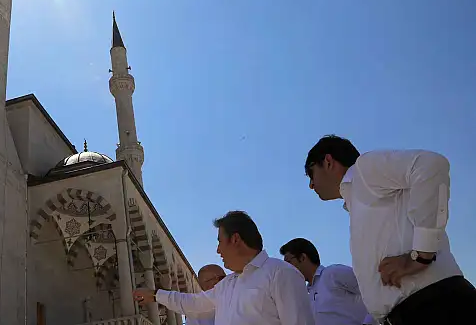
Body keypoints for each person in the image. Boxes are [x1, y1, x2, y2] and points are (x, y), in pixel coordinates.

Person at [304, 134, 476, 324]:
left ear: (328, 162)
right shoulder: (358, 200)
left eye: (311, 174)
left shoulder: (364, 170)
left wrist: (421, 254)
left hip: (435, 306)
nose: (311, 185)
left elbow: (431, 165)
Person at [132, 211, 314, 325]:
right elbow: (193, 303)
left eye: (220, 242)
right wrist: (155, 295)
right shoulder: (228, 285)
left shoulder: (281, 274)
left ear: (235, 240)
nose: (218, 250)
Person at [280, 238, 370, 325]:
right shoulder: (306, 296)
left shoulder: (334, 273)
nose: (287, 268)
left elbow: (371, 290)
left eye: (288, 262)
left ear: (303, 258)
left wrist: (368, 323)